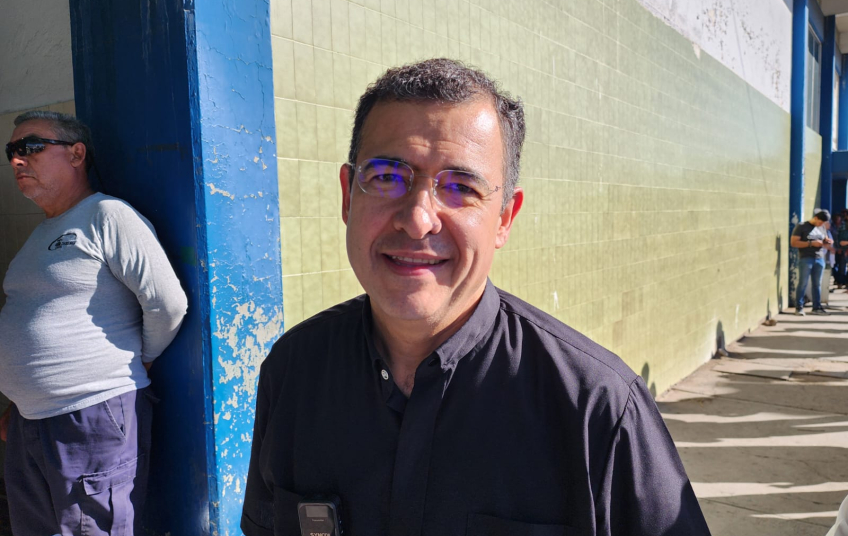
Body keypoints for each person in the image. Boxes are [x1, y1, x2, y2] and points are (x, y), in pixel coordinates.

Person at [241, 59, 711, 536]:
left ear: (504, 218)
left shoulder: (598, 410)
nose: (418, 219)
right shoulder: (293, 372)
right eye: (386, 177)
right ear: (348, 196)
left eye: (460, 187)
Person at [0, 111, 188, 535]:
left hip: (90, 413)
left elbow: (168, 303)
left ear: (76, 154)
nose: (17, 160)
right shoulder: (39, 235)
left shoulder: (107, 215)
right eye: (11, 151)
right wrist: (20, 401)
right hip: (30, 421)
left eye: (30, 147)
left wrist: (143, 359)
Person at [791, 210, 833, 315]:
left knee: (817, 284)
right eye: (820, 222)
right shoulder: (802, 226)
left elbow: (825, 239)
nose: (821, 224)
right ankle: (799, 307)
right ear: (815, 218)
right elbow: (794, 243)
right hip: (806, 258)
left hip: (819, 258)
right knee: (803, 283)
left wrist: (827, 242)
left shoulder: (822, 227)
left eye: (823, 223)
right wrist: (811, 243)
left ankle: (816, 307)